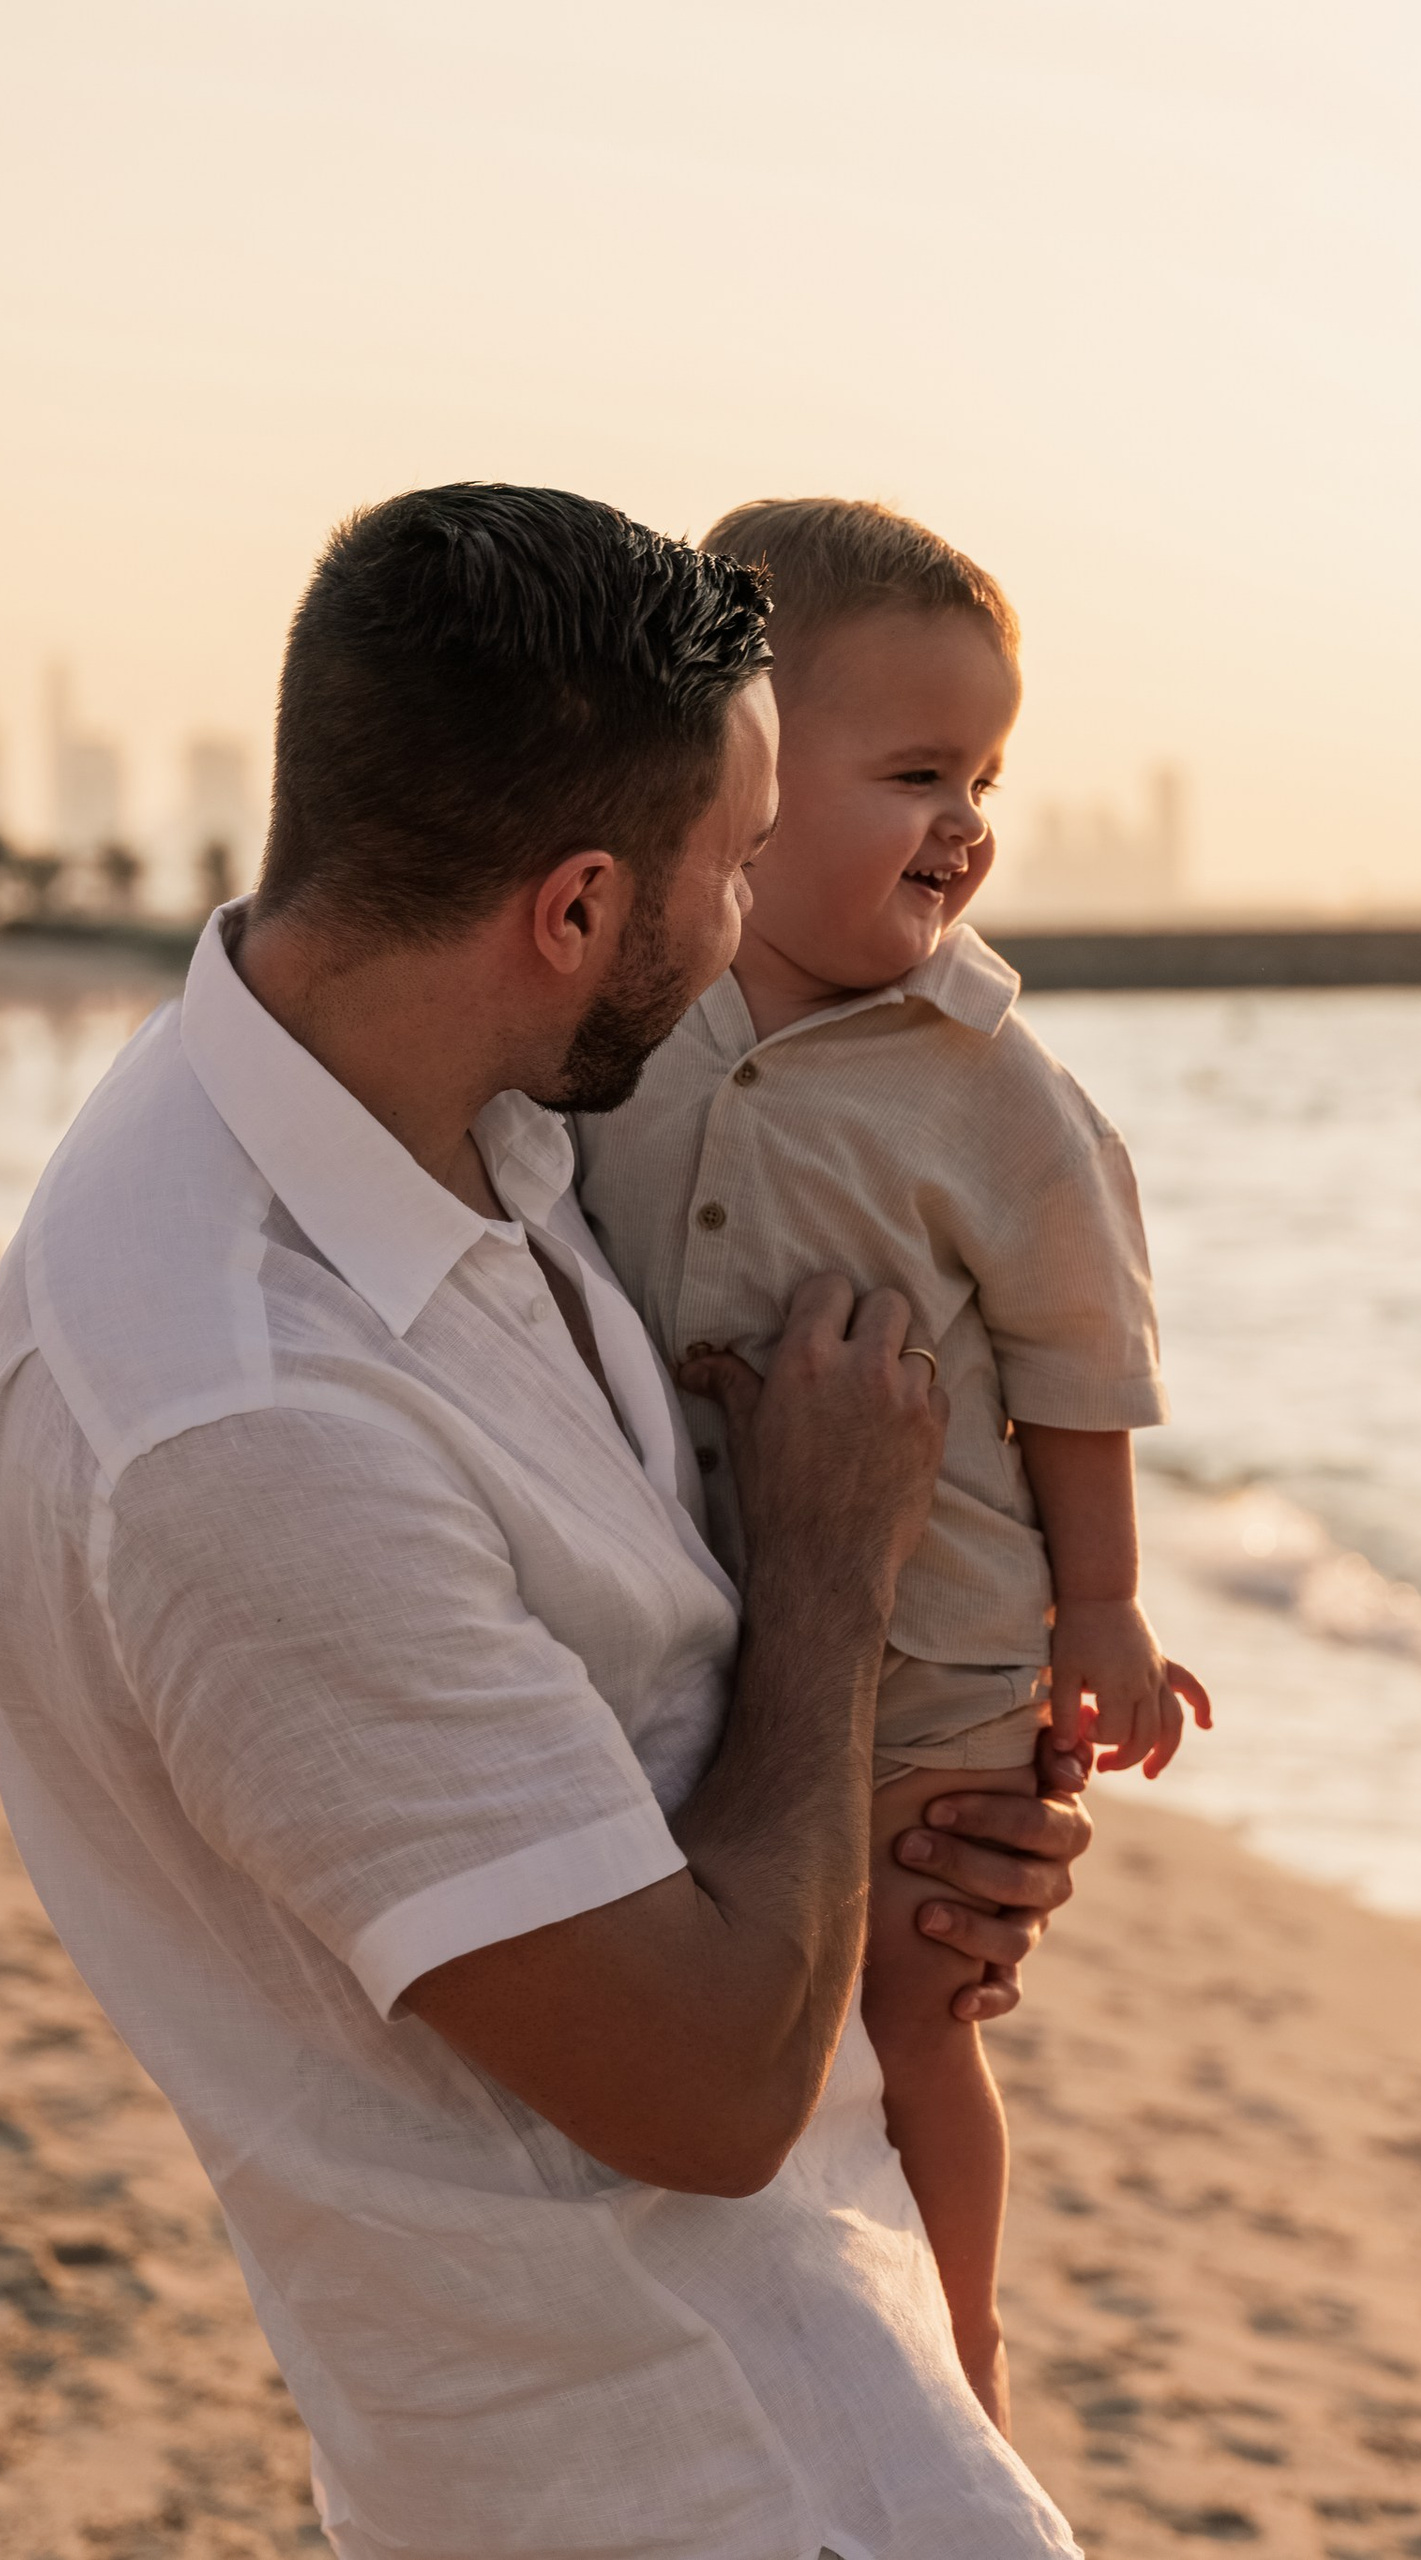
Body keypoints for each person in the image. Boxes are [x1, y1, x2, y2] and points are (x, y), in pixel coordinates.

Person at [0, 483, 1092, 2560]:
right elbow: (699, 2091)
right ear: (578, 913)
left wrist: (929, 1810)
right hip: (705, 2458)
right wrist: (839, 1568)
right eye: (736, 864)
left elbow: (646, 1710)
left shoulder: (440, 1107)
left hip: (817, 2353)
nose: (758, 913)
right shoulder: (241, 1426)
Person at [576, 494, 1212, 2429]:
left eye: (989, 775)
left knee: (918, 2000)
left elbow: (1078, 1361)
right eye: (917, 769)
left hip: (934, 1643)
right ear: (743, 773)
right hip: (687, 1601)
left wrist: (1099, 1609)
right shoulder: (626, 1017)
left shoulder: (987, 1081)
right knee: (720, 1973)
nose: (968, 823)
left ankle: (960, 2349)